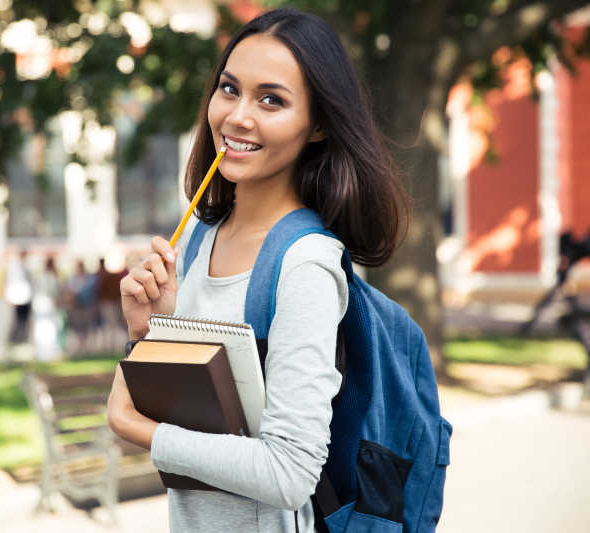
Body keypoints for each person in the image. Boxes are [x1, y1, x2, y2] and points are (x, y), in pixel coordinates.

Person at [107, 8, 408, 533]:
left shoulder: (304, 265)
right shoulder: (198, 238)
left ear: (318, 125)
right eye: (229, 89)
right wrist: (147, 334)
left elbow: (290, 473)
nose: (237, 117)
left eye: (272, 100)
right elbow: (188, 425)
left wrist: (141, 430)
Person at [4, 249, 33, 345]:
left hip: (24, 296)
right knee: (18, 318)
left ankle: (21, 338)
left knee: (23, 319)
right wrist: (8, 295)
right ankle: (14, 339)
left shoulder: (23, 266)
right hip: (18, 296)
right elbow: (8, 281)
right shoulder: (15, 267)